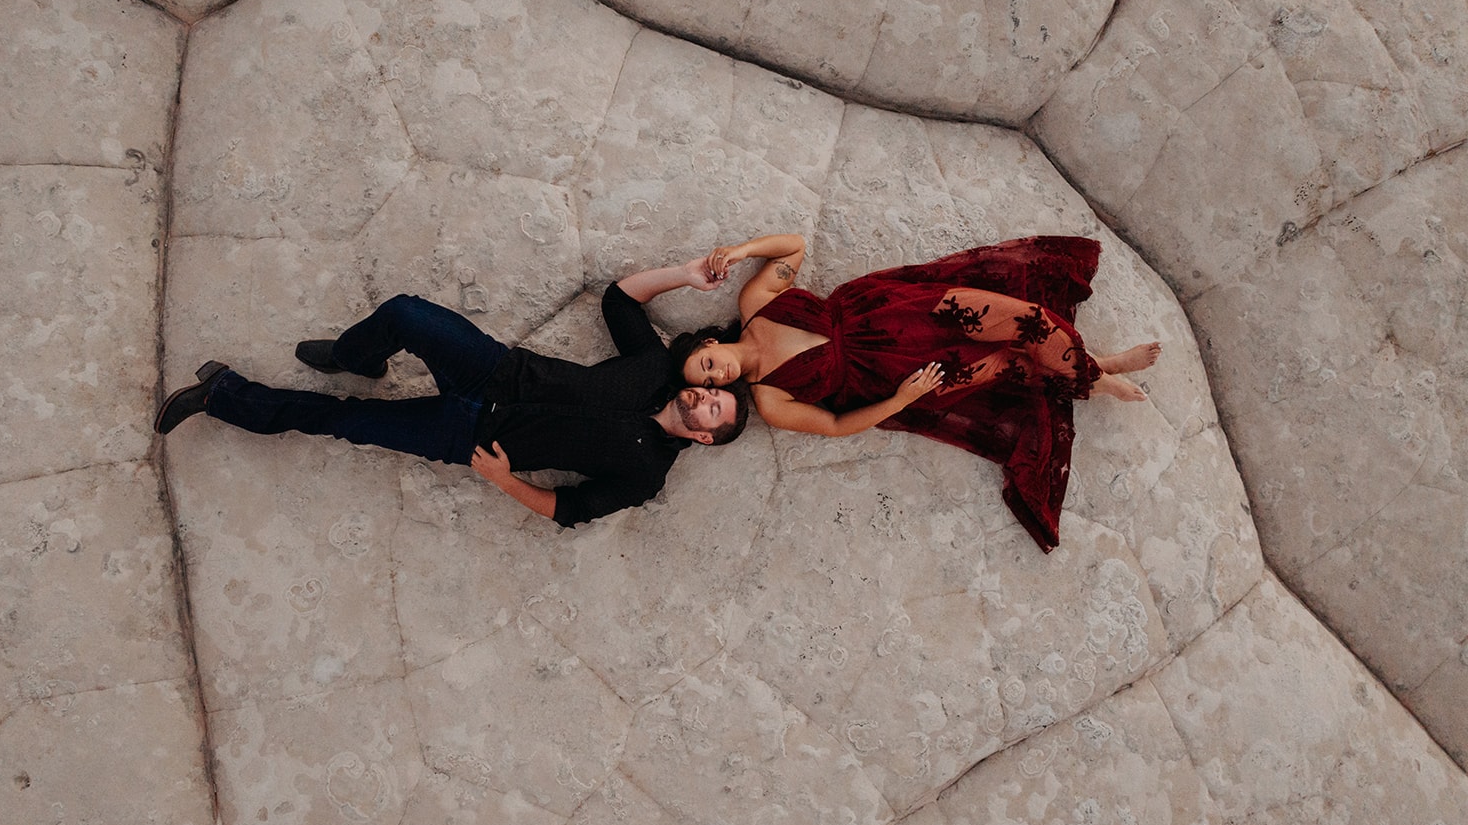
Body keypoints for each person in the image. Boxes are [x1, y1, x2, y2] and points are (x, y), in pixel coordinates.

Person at [154, 258, 752, 526]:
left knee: (345, 420)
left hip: (470, 437)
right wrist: (686, 274)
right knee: (407, 314)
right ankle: (350, 356)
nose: (703, 396)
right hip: (496, 371)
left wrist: (503, 481)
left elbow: (571, 510)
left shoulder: (646, 474)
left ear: (703, 436)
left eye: (713, 408)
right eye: (710, 391)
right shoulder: (655, 366)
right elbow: (620, 299)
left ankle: (220, 396)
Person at [664, 234, 1160, 552]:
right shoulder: (771, 402)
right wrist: (901, 400)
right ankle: (1102, 373)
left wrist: (740, 251)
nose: (717, 374)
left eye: (707, 363)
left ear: (710, 342)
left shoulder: (754, 301)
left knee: (1021, 318)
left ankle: (1097, 370)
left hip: (892, 310)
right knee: (1009, 365)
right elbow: (837, 425)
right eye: (709, 383)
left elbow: (792, 246)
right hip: (897, 375)